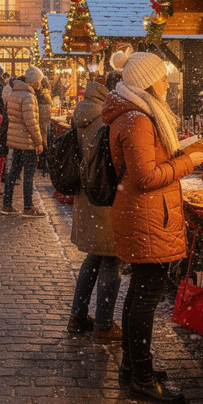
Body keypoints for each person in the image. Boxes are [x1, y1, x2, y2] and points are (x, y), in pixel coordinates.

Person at [104, 52, 203, 404]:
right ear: (149, 82)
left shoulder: (136, 114)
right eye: (163, 78)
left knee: (139, 294)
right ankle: (142, 378)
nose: (168, 84)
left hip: (143, 213)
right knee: (145, 298)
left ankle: (134, 367)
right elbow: (145, 176)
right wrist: (187, 162)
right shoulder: (137, 119)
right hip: (146, 215)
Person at [68, 70, 124, 342]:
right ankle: (103, 325)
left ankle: (78, 316)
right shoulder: (105, 116)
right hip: (104, 196)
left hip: (87, 195)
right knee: (111, 259)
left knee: (93, 257)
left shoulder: (83, 111)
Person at [2, 66, 46, 216]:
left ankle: (7, 204)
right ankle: (28, 206)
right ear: (34, 81)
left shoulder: (14, 93)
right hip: (26, 141)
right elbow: (31, 122)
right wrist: (38, 141)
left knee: (13, 171)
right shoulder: (28, 96)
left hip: (15, 139)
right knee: (28, 174)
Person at [36, 77, 53, 171]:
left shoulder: (39, 96)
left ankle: (40, 161)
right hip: (44, 121)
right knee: (43, 140)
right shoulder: (46, 97)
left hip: (40, 120)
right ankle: (42, 161)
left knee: (40, 139)